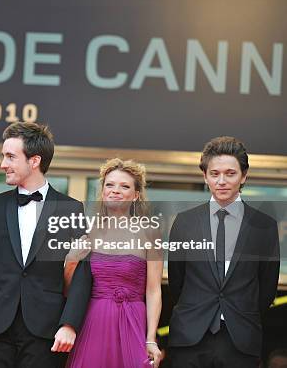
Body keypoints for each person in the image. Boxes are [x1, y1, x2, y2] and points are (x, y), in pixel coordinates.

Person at [0, 122, 92, 368]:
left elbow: (83, 272)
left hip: (45, 330)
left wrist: (69, 324)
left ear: (34, 161)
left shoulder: (71, 209)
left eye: (10, 156)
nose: (2, 164)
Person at [168, 136, 280, 367]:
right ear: (205, 176)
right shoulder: (184, 222)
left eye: (230, 173)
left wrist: (239, 311)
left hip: (240, 339)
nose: (222, 181)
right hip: (189, 337)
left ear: (244, 176)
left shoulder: (264, 226)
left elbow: (267, 287)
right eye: (214, 173)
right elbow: (177, 280)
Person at [64, 158, 163, 368]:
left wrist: (151, 338)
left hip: (133, 319)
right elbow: (68, 290)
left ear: (136, 195)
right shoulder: (88, 231)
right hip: (94, 320)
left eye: (124, 186)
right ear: (102, 191)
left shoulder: (150, 232)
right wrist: (71, 259)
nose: (115, 190)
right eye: (110, 184)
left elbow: (154, 291)